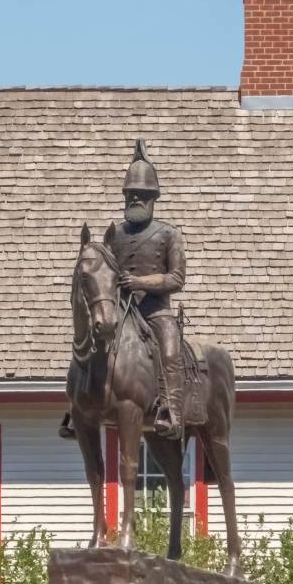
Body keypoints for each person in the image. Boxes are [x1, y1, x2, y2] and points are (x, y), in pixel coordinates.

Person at [104, 139, 186, 439]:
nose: (135, 199)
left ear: (153, 197)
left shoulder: (168, 234)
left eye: (141, 195)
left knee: (169, 345)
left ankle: (170, 410)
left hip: (154, 312)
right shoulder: (115, 234)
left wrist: (140, 283)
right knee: (91, 338)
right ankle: (80, 405)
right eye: (131, 195)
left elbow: (176, 278)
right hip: (122, 311)